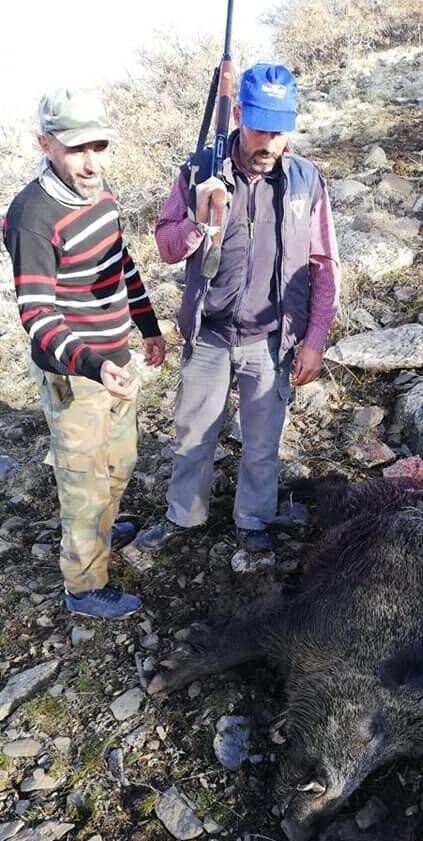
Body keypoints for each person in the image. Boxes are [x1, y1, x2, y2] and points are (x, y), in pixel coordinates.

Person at [136, 63, 340, 555]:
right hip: (210, 334)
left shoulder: (305, 180)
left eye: (279, 128)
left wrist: (314, 341)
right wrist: (200, 223)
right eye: (258, 126)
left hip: (271, 340)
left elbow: (324, 263)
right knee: (192, 437)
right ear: (238, 113)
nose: (268, 140)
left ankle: (253, 521)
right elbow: (165, 246)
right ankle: (184, 517)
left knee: (263, 446)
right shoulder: (200, 169)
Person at [3, 87, 166, 618]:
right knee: (82, 481)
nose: (91, 161)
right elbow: (38, 317)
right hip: (76, 375)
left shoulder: (99, 189)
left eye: (99, 146)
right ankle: (83, 587)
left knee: (120, 460)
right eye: (76, 149)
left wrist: (149, 327)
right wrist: (97, 366)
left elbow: (122, 262)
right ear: (45, 144)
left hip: (116, 359)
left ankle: (104, 524)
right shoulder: (32, 215)